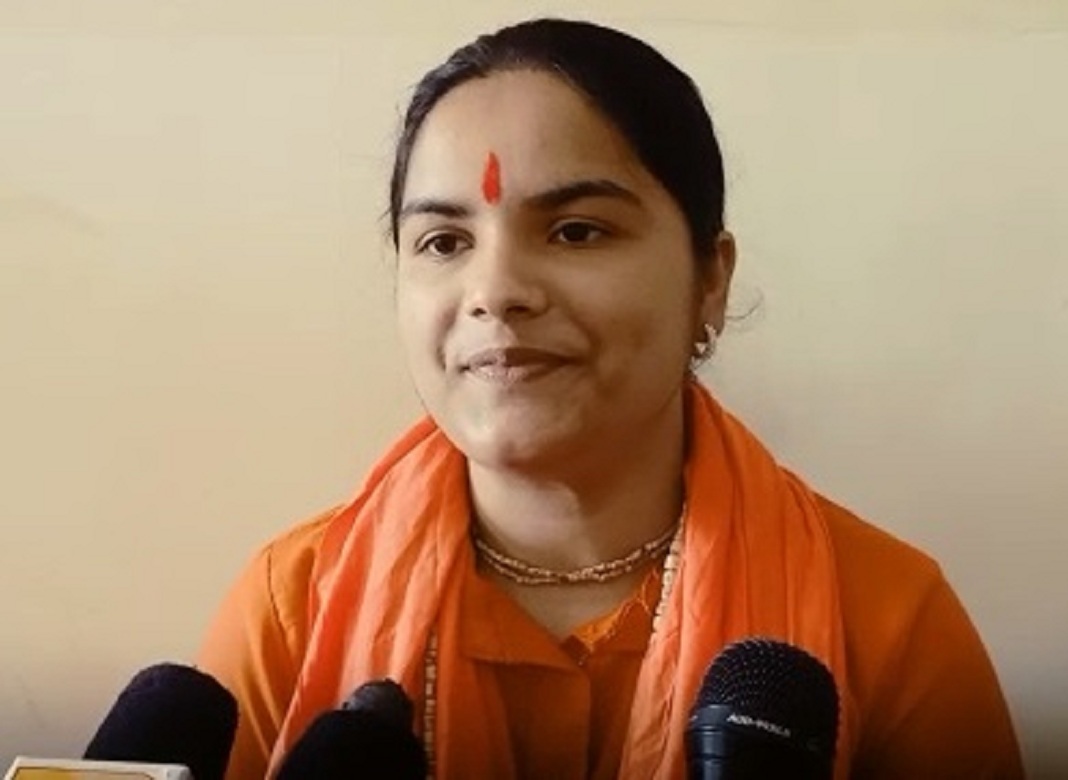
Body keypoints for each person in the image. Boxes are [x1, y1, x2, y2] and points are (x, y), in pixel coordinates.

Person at [197, 17, 1025, 780]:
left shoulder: (885, 619)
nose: (495, 291)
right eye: (444, 242)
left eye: (576, 231)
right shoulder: (292, 609)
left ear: (709, 280)